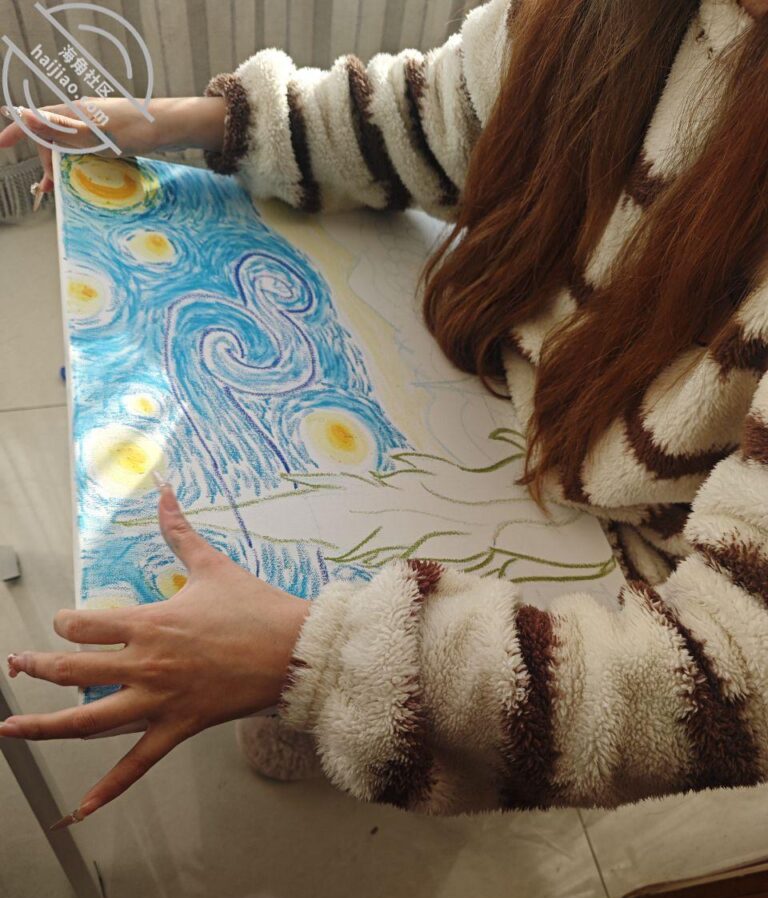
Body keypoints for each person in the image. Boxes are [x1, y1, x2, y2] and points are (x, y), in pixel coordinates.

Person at [1, 0, 768, 826]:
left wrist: (321, 662)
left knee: (281, 623)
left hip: (628, 537)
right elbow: (437, 115)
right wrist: (192, 121)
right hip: (496, 362)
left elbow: (727, 683)